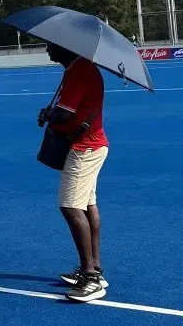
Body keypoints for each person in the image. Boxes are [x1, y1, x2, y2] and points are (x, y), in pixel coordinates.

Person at [38, 42, 109, 302]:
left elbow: (64, 114)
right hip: (91, 145)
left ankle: (90, 277)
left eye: (51, 45)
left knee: (70, 207)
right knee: (87, 205)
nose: (48, 50)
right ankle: (94, 268)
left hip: (84, 148)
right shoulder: (79, 68)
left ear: (65, 47)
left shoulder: (80, 71)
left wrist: (48, 114)